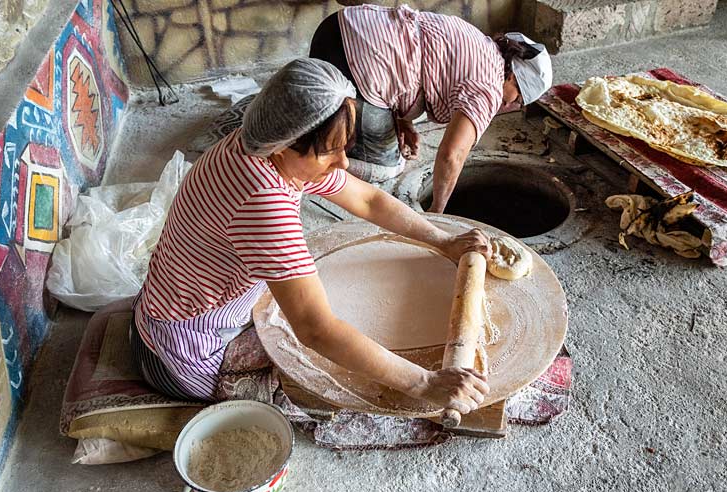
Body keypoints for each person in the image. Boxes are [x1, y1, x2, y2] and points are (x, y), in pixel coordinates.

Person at [131, 58, 490, 417]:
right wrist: (424, 383)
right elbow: (316, 330)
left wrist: (442, 241)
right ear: (284, 145)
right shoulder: (262, 201)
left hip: (165, 308)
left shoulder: (265, 144)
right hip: (187, 351)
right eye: (329, 151)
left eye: (344, 146)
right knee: (330, 375)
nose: (343, 163)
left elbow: (367, 199)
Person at [309, 4, 553, 211]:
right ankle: (311, 159)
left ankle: (324, 127)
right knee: (388, 166)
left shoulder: (483, 45)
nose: (509, 105)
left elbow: (415, 59)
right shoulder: (489, 87)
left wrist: (403, 121)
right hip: (349, 64)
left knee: (388, 140)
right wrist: (437, 211)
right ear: (513, 77)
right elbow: (451, 155)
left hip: (338, 26)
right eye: (518, 98)